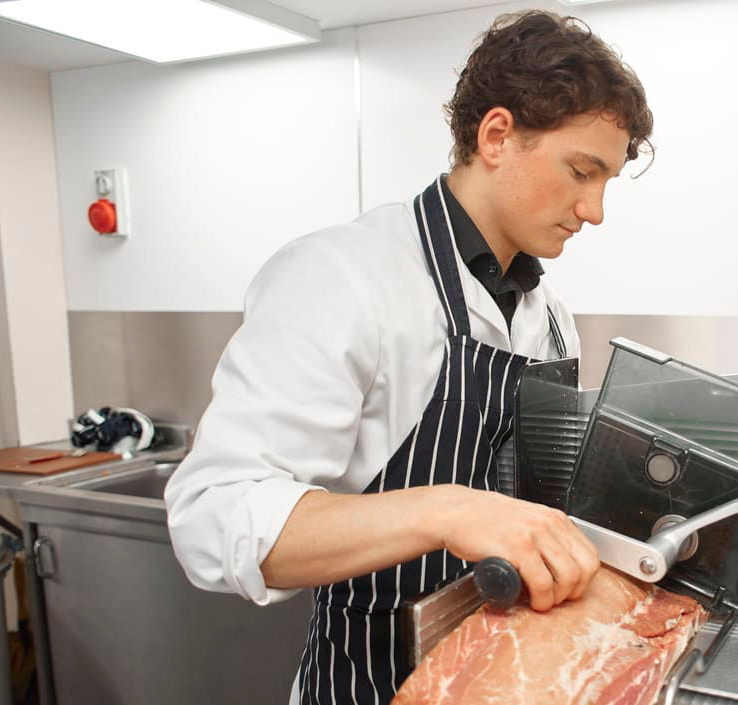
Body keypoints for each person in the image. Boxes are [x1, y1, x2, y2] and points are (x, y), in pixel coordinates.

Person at [164, 9, 653, 705]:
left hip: (501, 680)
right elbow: (212, 517)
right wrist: (446, 510)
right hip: (364, 684)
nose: (595, 210)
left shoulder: (548, 319)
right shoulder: (342, 277)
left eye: (605, 181)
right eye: (581, 171)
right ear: (496, 136)